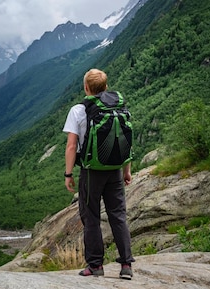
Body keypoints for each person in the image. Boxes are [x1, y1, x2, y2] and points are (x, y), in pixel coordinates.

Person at [62, 68, 135, 280]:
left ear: (86, 88)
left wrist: (68, 174)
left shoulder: (78, 110)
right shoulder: (119, 107)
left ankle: (95, 266)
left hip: (91, 171)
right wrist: (126, 170)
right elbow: (124, 139)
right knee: (118, 215)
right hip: (114, 170)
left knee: (91, 216)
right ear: (106, 87)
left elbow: (71, 146)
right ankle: (126, 265)